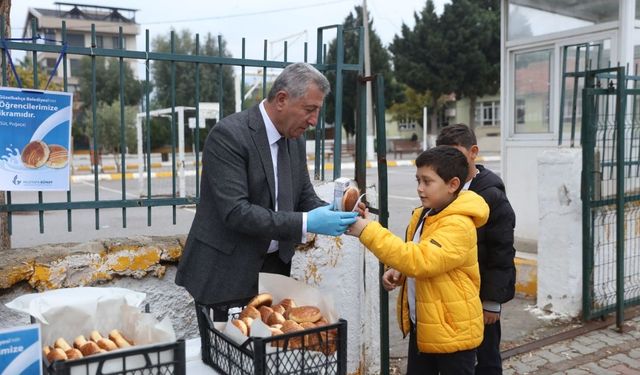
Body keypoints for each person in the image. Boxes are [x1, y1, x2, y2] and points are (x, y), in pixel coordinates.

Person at [175, 63, 358, 314]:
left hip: (274, 271)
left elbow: (304, 195)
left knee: (268, 349)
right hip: (225, 274)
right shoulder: (229, 135)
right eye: (309, 110)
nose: (314, 121)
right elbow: (236, 212)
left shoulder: (294, 139)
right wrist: (306, 222)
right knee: (227, 350)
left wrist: (336, 213)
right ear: (282, 99)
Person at [348, 146, 489, 375]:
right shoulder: (426, 214)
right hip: (424, 326)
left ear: (453, 185)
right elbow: (419, 255)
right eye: (418, 180)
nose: (420, 189)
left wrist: (368, 231)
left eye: (427, 181)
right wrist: (400, 271)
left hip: (452, 333)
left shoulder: (458, 225)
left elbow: (420, 260)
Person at [435, 123, 516, 374]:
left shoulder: (491, 194)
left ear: (473, 152)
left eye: (456, 155)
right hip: (454, 295)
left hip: (481, 296)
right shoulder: (445, 188)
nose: (449, 163)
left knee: (487, 357)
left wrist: (492, 301)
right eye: (443, 156)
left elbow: (501, 252)